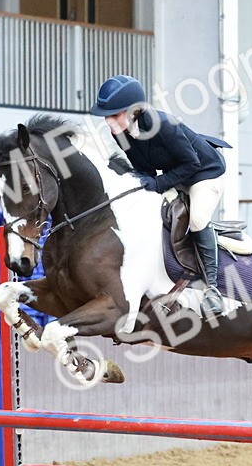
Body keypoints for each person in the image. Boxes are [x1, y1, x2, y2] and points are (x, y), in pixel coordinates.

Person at [89, 74, 231, 315]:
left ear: (134, 111)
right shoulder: (120, 132)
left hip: (205, 173)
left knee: (197, 220)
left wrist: (157, 184)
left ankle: (213, 291)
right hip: (177, 174)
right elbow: (144, 167)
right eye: (107, 116)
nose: (109, 122)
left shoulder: (163, 125)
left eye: (114, 115)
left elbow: (192, 163)